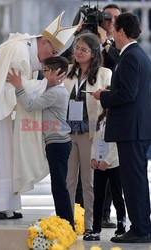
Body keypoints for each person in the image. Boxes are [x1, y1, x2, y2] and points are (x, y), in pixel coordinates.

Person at [0, 12, 78, 219]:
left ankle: (3, 205)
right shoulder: (18, 51)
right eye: (52, 50)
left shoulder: (23, 47)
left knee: (5, 155)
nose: (49, 57)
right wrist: (48, 83)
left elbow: (18, 88)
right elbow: (14, 87)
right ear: (43, 41)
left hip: (1, 112)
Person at [92, 13, 151, 243]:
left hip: (131, 129)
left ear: (123, 32)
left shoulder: (130, 57)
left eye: (114, 29)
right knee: (137, 180)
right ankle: (142, 226)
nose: (111, 33)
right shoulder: (137, 55)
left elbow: (127, 94)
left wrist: (103, 96)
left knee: (133, 181)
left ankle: (140, 230)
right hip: (136, 128)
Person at [6, 56, 74, 228]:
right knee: (58, 185)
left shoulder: (55, 92)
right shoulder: (54, 90)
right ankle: (65, 222)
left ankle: (67, 224)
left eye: (46, 71)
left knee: (59, 186)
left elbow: (29, 105)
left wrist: (18, 85)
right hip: (57, 142)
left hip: (58, 143)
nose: (43, 75)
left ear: (57, 72)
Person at [64, 32, 112, 237]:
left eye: (83, 49)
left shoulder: (104, 73)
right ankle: (67, 221)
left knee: (88, 182)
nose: (78, 52)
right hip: (67, 132)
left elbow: (108, 102)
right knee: (68, 181)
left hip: (89, 133)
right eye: (77, 48)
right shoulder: (66, 72)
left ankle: (89, 224)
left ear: (93, 53)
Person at [83, 105, 126, 241]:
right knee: (98, 198)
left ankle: (121, 229)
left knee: (117, 197)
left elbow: (118, 145)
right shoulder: (100, 120)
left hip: (114, 164)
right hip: (99, 164)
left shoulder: (120, 120)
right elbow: (95, 141)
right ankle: (95, 230)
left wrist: (107, 162)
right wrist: (93, 158)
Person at [98, 3, 121, 229]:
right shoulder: (89, 39)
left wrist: (105, 43)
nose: (111, 21)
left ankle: (105, 212)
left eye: (115, 17)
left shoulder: (121, 45)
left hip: (111, 111)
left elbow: (117, 65)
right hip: (89, 112)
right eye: (107, 16)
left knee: (110, 163)